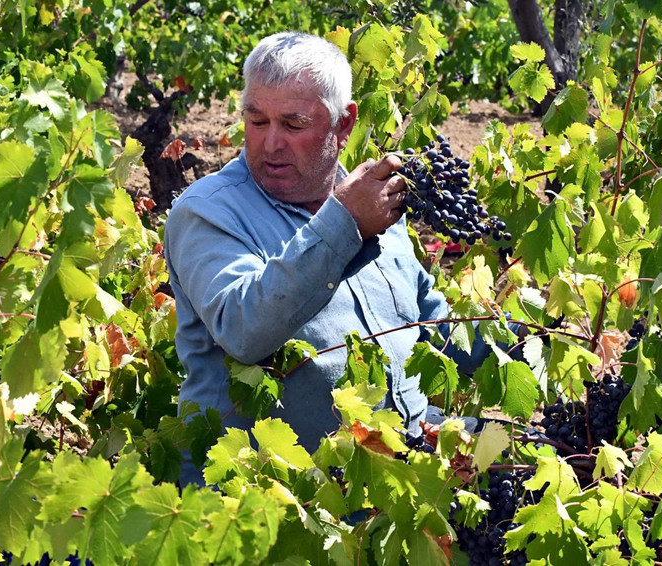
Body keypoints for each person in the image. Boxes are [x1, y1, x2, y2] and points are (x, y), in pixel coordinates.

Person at [165, 32, 500, 486]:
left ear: (344, 125)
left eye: (293, 125)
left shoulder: (375, 202)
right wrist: (344, 223)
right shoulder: (207, 212)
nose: (270, 143)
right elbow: (244, 329)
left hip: (396, 476)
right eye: (257, 121)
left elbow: (431, 325)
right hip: (278, 497)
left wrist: (528, 342)